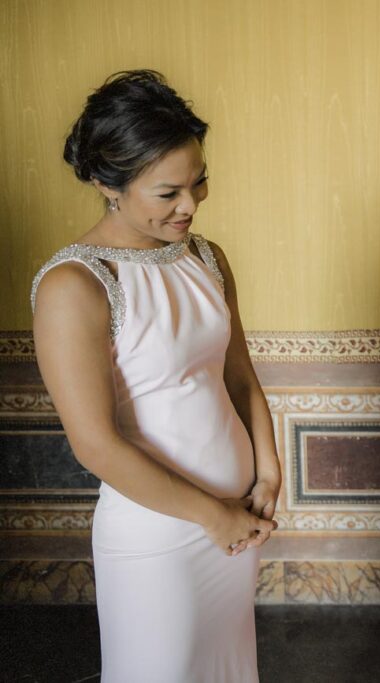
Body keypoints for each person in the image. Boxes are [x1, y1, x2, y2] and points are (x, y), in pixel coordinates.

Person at [31, 70, 279, 682]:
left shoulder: (206, 257)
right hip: (158, 535)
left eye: (199, 183)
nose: (190, 205)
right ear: (106, 183)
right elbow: (95, 444)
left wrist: (270, 470)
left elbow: (239, 376)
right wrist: (211, 515)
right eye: (168, 193)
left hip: (237, 516)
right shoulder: (76, 285)